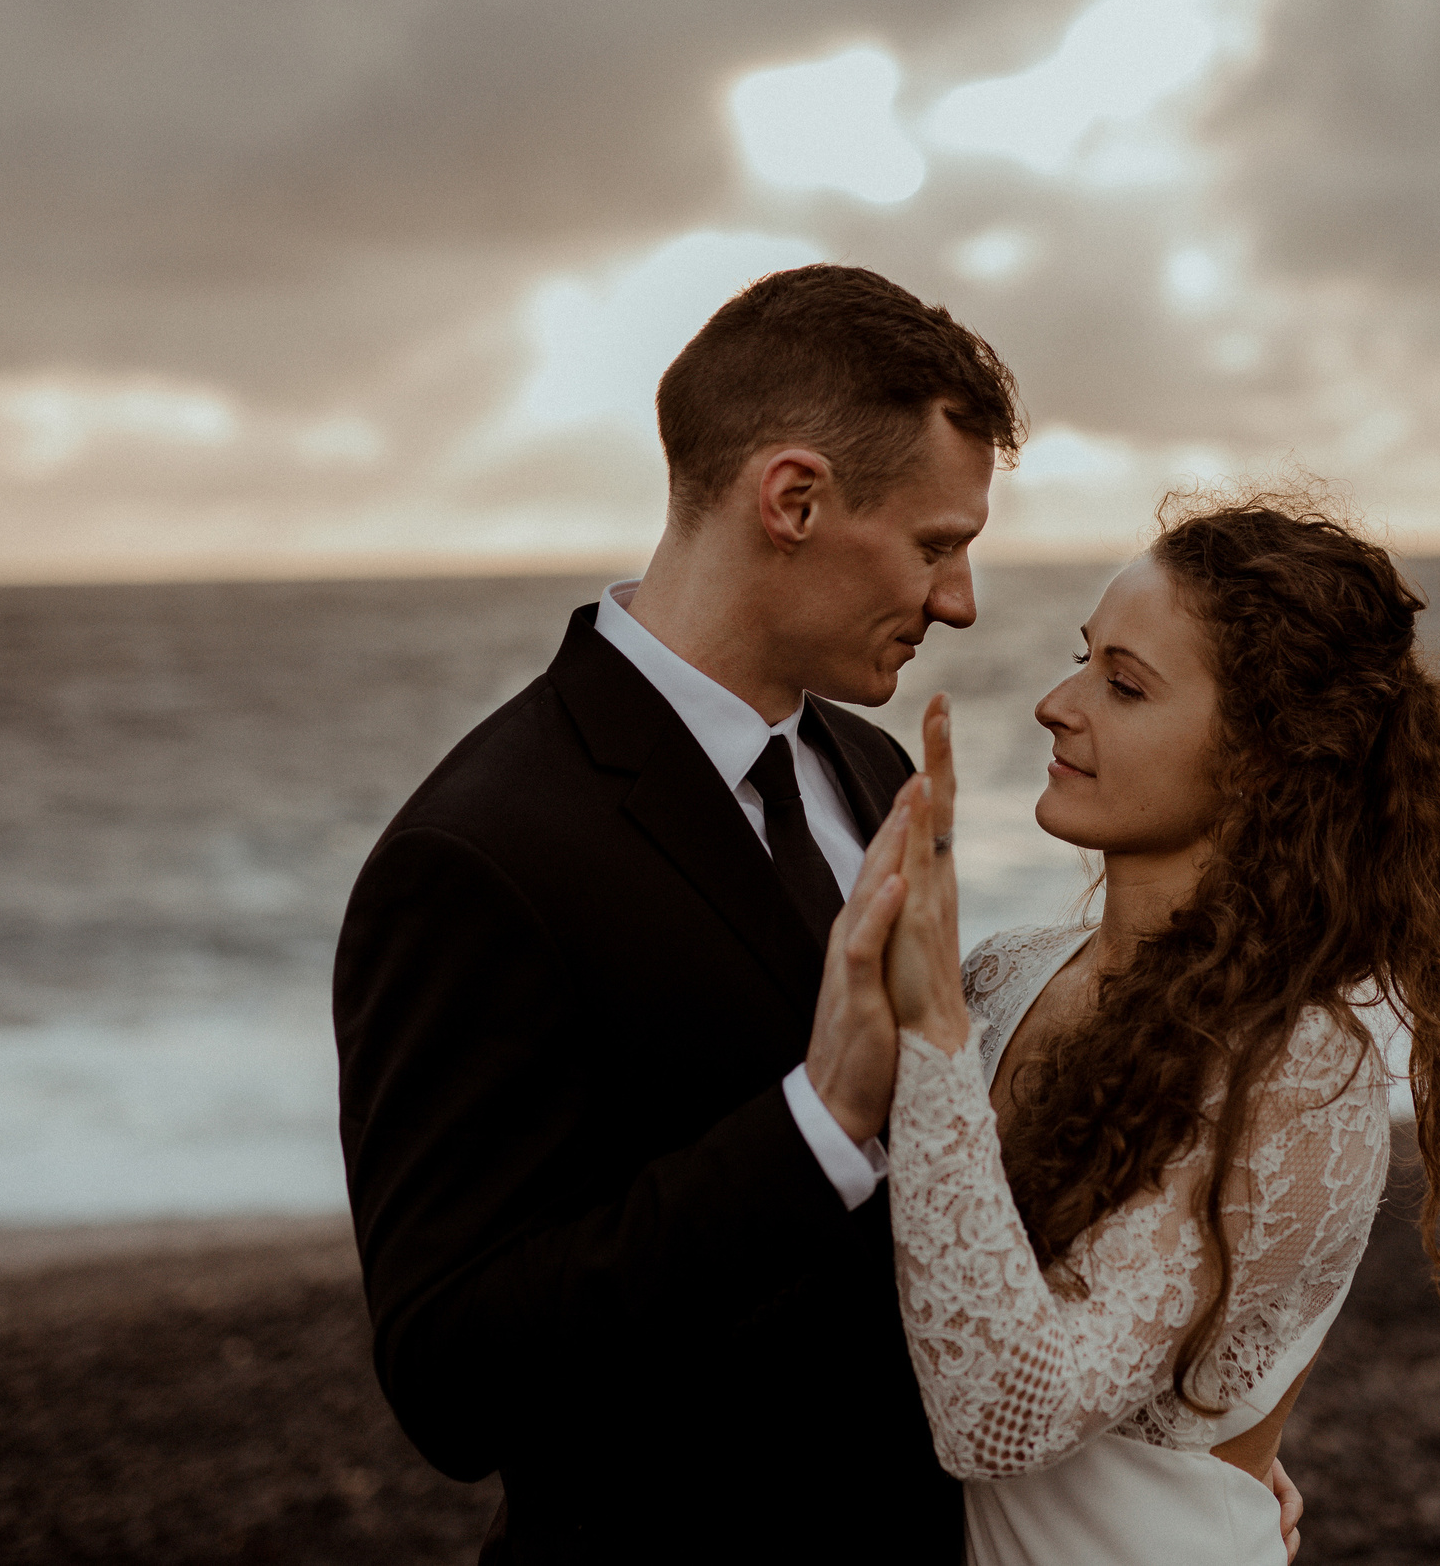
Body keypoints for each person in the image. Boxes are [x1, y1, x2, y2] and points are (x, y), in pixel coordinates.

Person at [330, 264, 1024, 1563]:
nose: (960, 601)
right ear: (795, 498)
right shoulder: (475, 851)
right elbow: (452, 1373)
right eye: (938, 544)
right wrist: (819, 1122)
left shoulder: (874, 773)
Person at [818, 494, 1440, 1565]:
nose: (1056, 704)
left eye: (1122, 683)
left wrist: (933, 1033)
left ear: (1264, 760)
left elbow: (1003, 1418)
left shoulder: (1298, 1070)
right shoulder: (1000, 978)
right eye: (1080, 659)